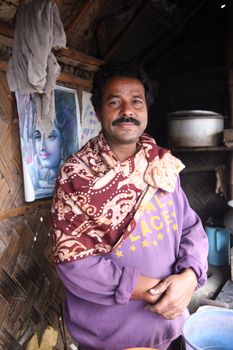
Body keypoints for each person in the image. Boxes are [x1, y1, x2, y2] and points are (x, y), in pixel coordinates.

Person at [51, 61, 208, 350]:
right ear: (98, 111)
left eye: (136, 101)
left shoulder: (162, 165)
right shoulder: (77, 176)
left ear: (146, 109)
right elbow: (74, 264)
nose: (127, 111)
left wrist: (189, 276)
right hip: (110, 339)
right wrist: (156, 291)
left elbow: (190, 228)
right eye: (115, 102)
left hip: (170, 327)